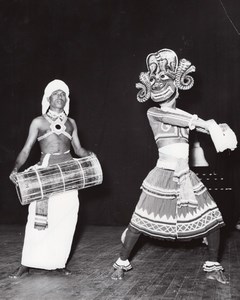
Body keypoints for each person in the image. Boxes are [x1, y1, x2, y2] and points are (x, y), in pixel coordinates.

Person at [111, 49, 237, 284]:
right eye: (155, 80)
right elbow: (178, 119)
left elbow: (194, 125)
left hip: (185, 176)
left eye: (164, 79)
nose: (158, 84)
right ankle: (121, 262)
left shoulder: (184, 115)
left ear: (177, 86)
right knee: (138, 223)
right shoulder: (154, 112)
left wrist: (218, 129)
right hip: (162, 174)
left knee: (212, 220)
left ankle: (213, 265)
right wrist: (205, 124)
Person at [9, 79, 91, 278]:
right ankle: (26, 263)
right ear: (48, 98)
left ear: (67, 99)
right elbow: (26, 149)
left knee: (67, 218)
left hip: (69, 172)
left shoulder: (71, 123)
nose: (60, 97)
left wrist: (92, 157)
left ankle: (58, 262)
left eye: (63, 94)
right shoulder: (39, 122)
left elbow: (79, 149)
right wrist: (16, 168)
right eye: (56, 93)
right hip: (45, 172)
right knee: (38, 218)